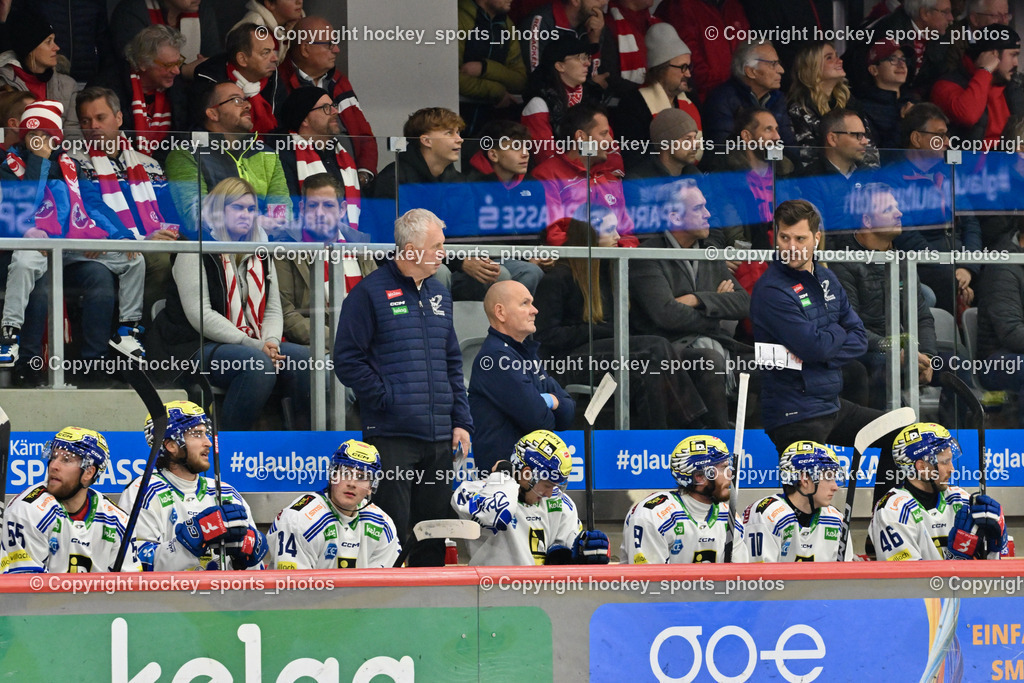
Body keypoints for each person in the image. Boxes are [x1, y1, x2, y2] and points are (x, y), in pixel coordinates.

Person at [334, 208, 473, 567]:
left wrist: (461, 422)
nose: (444, 253)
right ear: (411, 250)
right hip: (392, 436)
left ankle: (429, 613)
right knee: (391, 534)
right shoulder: (368, 294)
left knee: (432, 535)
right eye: (437, 246)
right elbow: (347, 359)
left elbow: (453, 364)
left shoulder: (441, 292)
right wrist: (387, 399)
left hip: (439, 438)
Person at [751, 200, 901, 485]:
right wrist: (831, 339)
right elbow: (814, 347)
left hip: (829, 405)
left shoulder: (827, 277)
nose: (791, 246)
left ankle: (883, 517)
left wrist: (825, 347)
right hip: (793, 413)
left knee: (903, 434)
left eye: (800, 238)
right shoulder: (771, 290)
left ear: (816, 239)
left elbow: (859, 337)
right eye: (784, 237)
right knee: (814, 499)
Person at [0, 100, 147, 383]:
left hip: (71, 244)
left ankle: (127, 332)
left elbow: (94, 207)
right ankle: (10, 336)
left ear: (57, 139)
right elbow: (17, 207)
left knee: (133, 258)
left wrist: (119, 236)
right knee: (24, 260)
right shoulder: (9, 166)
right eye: (32, 135)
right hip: (33, 247)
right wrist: (39, 162)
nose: (38, 141)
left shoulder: (71, 166)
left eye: (45, 136)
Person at [151, 178, 312, 430]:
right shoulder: (194, 248)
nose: (246, 215)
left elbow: (272, 309)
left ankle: (303, 444)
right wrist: (256, 345)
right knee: (256, 364)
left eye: (251, 209)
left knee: (305, 359)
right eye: (238, 208)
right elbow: (200, 315)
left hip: (251, 342)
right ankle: (230, 447)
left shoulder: (260, 250)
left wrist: (271, 342)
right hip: (193, 346)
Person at [534, 213, 710, 428]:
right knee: (654, 348)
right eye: (610, 230)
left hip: (606, 352)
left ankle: (655, 444)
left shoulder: (611, 270)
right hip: (566, 361)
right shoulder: (558, 277)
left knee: (650, 370)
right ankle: (695, 425)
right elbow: (546, 337)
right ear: (589, 236)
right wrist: (602, 329)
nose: (618, 236)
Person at [628, 179, 745, 426]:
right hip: (669, 352)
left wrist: (697, 299)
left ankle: (768, 445)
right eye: (698, 208)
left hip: (717, 342)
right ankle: (720, 442)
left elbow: (744, 302)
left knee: (777, 361)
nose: (708, 214)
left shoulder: (709, 252)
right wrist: (717, 307)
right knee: (709, 361)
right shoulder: (647, 256)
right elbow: (667, 315)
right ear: (675, 217)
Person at [72, 86, 181, 326]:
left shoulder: (149, 164)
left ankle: (159, 333)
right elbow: (85, 210)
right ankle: (138, 329)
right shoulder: (74, 162)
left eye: (100, 118)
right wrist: (135, 240)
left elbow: (169, 212)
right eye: (85, 120)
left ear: (119, 118)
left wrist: (167, 234)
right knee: (159, 260)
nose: (93, 127)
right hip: (107, 244)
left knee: (184, 254)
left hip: (148, 242)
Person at [120, 401, 268, 571]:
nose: (208, 443)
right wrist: (190, 541)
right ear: (171, 445)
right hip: (167, 597)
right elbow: (135, 566)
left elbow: (256, 576)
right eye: (197, 434)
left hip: (224, 596)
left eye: (206, 434)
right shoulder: (143, 491)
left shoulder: (227, 493)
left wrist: (246, 559)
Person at [452, 429, 610, 565]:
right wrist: (503, 476)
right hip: (492, 595)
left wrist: (584, 552)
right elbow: (496, 515)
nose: (550, 493)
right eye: (547, 485)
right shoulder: (472, 491)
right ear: (527, 474)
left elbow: (562, 554)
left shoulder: (560, 504)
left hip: (541, 597)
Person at [2, 427, 141, 573]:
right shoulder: (27, 511)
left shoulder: (117, 520)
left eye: (66, 459)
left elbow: (129, 588)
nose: (53, 466)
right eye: (53, 456)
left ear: (89, 472)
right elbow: (25, 589)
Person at [469, 280, 575, 472]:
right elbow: (540, 421)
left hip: (529, 480)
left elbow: (568, 415)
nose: (534, 310)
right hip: (504, 482)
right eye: (525, 303)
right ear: (500, 312)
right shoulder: (495, 358)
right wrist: (553, 402)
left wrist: (551, 401)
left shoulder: (526, 353)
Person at [165, 81, 291, 239]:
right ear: (213, 114)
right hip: (212, 252)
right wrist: (256, 222)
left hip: (265, 248)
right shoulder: (186, 154)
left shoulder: (267, 154)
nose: (248, 106)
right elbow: (196, 217)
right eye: (236, 100)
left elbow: (281, 214)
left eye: (245, 100)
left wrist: (266, 224)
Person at [869, 422, 1007, 560]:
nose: (952, 469)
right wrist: (957, 559)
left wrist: (994, 547)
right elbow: (908, 579)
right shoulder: (892, 512)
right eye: (945, 462)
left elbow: (992, 576)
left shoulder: (962, 500)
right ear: (922, 467)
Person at [267, 439, 401, 569]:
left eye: (361, 477)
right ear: (332, 475)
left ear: (371, 487)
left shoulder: (382, 525)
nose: (352, 483)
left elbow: (386, 588)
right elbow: (293, 587)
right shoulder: (299, 520)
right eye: (345, 473)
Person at [275, 173, 373, 348]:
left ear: (342, 209)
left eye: (328, 205)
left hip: (367, 341)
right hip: (320, 346)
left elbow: (380, 301)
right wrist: (341, 340)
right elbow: (286, 313)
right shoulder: (284, 248)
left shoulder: (359, 246)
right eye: (313, 206)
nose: (319, 214)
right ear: (302, 209)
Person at [278, 16, 377, 185]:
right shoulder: (279, 82)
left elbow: (364, 135)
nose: (337, 49)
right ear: (305, 49)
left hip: (352, 182)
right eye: (329, 44)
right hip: (305, 183)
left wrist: (363, 175)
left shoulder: (340, 82)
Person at [533, 102, 637, 246]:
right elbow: (553, 236)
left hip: (614, 262)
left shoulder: (610, 179)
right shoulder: (548, 175)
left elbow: (627, 234)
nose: (610, 141)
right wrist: (595, 247)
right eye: (603, 134)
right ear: (581, 137)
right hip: (571, 264)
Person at [734, 440, 852, 562]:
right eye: (828, 477)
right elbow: (759, 577)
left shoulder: (836, 519)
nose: (835, 487)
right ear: (805, 479)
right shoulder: (767, 515)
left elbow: (845, 576)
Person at [621, 435, 732, 564]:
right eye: (724, 468)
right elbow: (649, 581)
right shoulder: (652, 516)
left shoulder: (729, 516)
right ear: (700, 477)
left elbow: (744, 579)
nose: (730, 474)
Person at [89, 25, 189, 162]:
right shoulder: (107, 88)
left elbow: (183, 136)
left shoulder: (178, 87)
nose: (176, 71)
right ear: (143, 63)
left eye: (178, 62)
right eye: (168, 65)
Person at [609, 23, 701, 170]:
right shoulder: (633, 104)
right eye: (683, 67)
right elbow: (634, 157)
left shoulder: (691, 100)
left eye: (689, 67)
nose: (688, 74)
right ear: (661, 68)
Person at [276, 86, 361, 227]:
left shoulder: (344, 157)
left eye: (333, 106)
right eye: (326, 107)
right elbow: (290, 210)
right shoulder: (285, 156)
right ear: (304, 119)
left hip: (350, 245)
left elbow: (363, 210)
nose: (335, 111)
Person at [931, 25, 1020, 148]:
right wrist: (985, 71)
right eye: (1013, 55)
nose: (1016, 63)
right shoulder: (946, 85)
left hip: (1009, 164)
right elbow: (968, 116)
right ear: (993, 55)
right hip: (962, 165)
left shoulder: (1014, 86)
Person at [521, 34, 601, 167]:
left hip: (588, 178)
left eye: (587, 57)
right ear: (560, 66)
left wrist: (602, 174)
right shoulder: (539, 103)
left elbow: (607, 145)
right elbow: (546, 157)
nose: (588, 63)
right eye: (580, 57)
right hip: (557, 182)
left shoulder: (591, 99)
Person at [0, 8, 80, 139]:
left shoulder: (68, 85)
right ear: (30, 48)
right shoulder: (4, 83)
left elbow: (73, 137)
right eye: (48, 42)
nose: (56, 47)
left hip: (60, 157)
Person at [701, 40, 795, 150]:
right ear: (750, 71)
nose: (781, 70)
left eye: (779, 63)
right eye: (773, 64)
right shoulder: (721, 100)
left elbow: (789, 147)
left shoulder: (777, 99)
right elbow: (722, 152)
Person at [193, 23, 285, 134]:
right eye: (266, 53)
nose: (275, 58)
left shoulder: (274, 80)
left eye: (273, 51)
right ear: (242, 59)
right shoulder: (208, 80)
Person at [654, 0, 750, 101]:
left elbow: (749, 50)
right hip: (703, 100)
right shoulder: (680, 6)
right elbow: (689, 62)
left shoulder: (733, 6)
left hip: (738, 96)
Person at [457, 0, 527, 137]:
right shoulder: (458, 19)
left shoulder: (507, 25)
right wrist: (497, 91)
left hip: (489, 131)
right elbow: (452, 78)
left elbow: (520, 80)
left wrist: (485, 68)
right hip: (452, 126)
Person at [109, 0, 221, 77]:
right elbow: (134, 65)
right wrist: (184, 71)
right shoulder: (131, 12)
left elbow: (213, 59)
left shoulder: (203, 10)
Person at [787, 42, 853, 169]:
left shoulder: (850, 103)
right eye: (829, 57)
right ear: (811, 67)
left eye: (837, 56)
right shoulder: (799, 109)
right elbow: (808, 158)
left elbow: (867, 148)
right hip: (822, 183)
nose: (839, 61)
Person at [853, 40, 916, 150]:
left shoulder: (914, 103)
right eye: (892, 59)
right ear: (874, 70)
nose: (901, 64)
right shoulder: (863, 109)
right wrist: (903, 122)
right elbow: (876, 156)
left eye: (903, 59)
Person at [520, 0, 607, 76]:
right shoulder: (541, 22)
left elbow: (597, 79)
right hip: (546, 94)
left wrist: (595, 41)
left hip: (577, 93)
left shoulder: (594, 25)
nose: (604, 2)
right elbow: (535, 75)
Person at [233, 0, 305, 61]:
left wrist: (296, 35)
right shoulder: (255, 25)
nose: (300, 1)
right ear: (270, 4)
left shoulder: (299, 20)